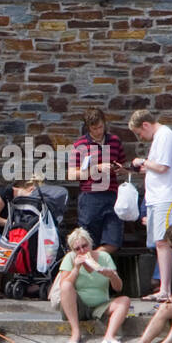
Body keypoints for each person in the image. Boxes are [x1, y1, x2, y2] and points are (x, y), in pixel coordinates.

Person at [127, 109, 172, 303]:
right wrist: (145, 167)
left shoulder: (164, 136)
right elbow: (158, 167)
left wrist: (142, 161)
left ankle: (165, 289)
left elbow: (162, 167)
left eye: (139, 133)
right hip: (157, 198)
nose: (141, 137)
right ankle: (164, 288)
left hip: (166, 197)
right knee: (159, 243)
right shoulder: (159, 138)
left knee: (164, 242)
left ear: (145, 124)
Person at [55, 226, 132, 343]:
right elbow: (64, 285)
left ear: (90, 244)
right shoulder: (70, 258)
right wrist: (76, 269)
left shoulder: (104, 257)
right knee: (66, 285)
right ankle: (75, 332)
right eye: (77, 249)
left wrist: (112, 275)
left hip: (100, 305)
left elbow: (118, 288)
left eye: (84, 246)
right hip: (77, 306)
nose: (82, 250)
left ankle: (109, 336)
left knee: (125, 300)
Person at [67, 107, 127, 257]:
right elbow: (72, 175)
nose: (98, 131)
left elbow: (124, 166)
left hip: (112, 194)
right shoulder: (80, 145)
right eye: (94, 128)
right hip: (90, 197)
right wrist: (97, 169)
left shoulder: (115, 141)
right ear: (88, 128)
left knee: (114, 240)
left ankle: (92, 260)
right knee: (87, 240)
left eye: (101, 127)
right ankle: (90, 267)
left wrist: (121, 169)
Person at [0, 173, 40, 298]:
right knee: (5, 246)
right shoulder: (5, 193)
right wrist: (10, 224)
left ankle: (27, 282)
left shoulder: (31, 201)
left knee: (30, 244)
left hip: (19, 232)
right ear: (29, 188)